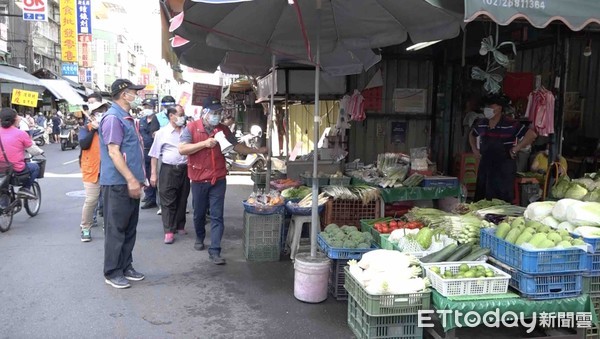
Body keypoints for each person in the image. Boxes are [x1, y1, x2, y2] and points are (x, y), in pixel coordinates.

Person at [179, 99, 267, 265]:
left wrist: (257, 150)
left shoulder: (223, 129)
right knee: (199, 213)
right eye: (213, 113)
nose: (216, 116)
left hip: (218, 178)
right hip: (198, 179)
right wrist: (204, 144)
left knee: (217, 215)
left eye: (219, 113)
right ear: (204, 113)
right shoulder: (192, 127)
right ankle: (199, 237)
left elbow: (237, 147)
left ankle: (215, 251)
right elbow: (182, 149)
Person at [98, 78, 146, 289]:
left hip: (130, 182)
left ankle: (126, 265)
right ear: (124, 94)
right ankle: (112, 271)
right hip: (118, 183)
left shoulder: (126, 117)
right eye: (134, 92)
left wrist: (137, 180)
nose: (137, 96)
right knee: (116, 229)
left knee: (129, 228)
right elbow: (113, 152)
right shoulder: (112, 119)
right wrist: (130, 179)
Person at [470, 94, 538, 203]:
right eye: (487, 106)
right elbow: (472, 135)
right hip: (485, 167)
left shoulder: (510, 124)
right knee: (482, 200)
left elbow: (532, 135)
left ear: (499, 108)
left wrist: (516, 148)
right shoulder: (481, 123)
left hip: (503, 168)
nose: (487, 109)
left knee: (501, 201)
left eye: (491, 106)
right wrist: (474, 149)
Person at [149, 107, 190, 244]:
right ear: (171, 116)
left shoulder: (187, 131)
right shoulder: (162, 133)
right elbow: (154, 155)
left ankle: (180, 225)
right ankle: (169, 230)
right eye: (180, 115)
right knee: (168, 200)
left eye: (184, 115)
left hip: (185, 169)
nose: (183, 118)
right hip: (168, 169)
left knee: (182, 198)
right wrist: (153, 174)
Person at [78, 101, 110, 242]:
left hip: (109, 170)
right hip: (91, 170)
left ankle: (109, 227)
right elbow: (84, 144)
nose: (100, 114)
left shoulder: (110, 127)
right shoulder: (86, 128)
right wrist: (93, 130)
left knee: (109, 201)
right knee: (91, 200)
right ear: (92, 115)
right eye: (97, 112)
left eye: (103, 111)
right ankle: (85, 228)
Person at [0, 108, 41, 199]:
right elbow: (33, 150)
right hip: (15, 168)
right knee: (35, 167)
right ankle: (25, 188)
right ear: (15, 120)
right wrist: (40, 152)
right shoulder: (21, 134)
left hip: (1, 168)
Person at [139, 99, 160, 209]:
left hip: (155, 151)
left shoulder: (158, 119)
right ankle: (150, 196)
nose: (147, 109)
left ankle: (156, 197)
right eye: (145, 107)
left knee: (155, 174)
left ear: (154, 108)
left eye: (149, 107)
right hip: (144, 150)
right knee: (146, 175)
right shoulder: (141, 121)